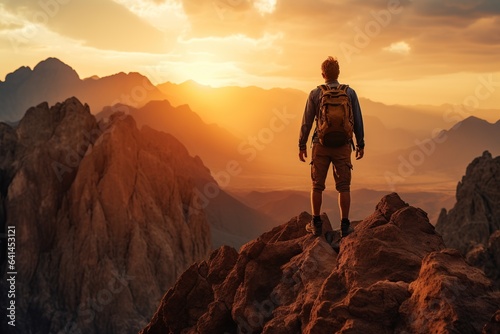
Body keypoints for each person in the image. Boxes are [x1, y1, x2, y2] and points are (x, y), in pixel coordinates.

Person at [298, 56, 365, 238]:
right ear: (338, 73)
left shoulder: (315, 93)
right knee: (344, 186)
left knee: (317, 185)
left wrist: (302, 144)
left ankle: (316, 224)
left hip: (320, 144)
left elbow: (307, 122)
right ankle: (345, 226)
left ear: (323, 74)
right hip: (343, 145)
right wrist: (360, 143)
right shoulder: (349, 93)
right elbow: (357, 119)